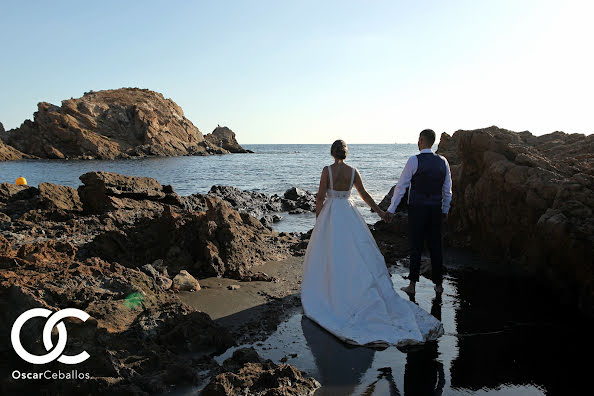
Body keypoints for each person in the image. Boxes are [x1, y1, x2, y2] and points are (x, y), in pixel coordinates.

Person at [300, 139, 444, 347]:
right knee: (354, 251)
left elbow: (320, 198)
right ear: (346, 154)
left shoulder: (327, 171)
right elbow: (365, 195)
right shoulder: (353, 171)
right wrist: (381, 213)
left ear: (332, 153)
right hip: (348, 214)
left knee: (331, 252)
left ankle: (332, 285)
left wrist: (319, 219)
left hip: (331, 214)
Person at [384, 129, 452, 296]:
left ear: (421, 141)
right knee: (436, 247)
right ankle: (438, 285)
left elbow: (401, 187)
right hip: (435, 209)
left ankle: (412, 285)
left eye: (418, 139)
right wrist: (445, 209)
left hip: (417, 209)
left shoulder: (413, 160)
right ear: (433, 142)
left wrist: (391, 210)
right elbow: (447, 189)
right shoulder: (443, 161)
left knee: (416, 246)